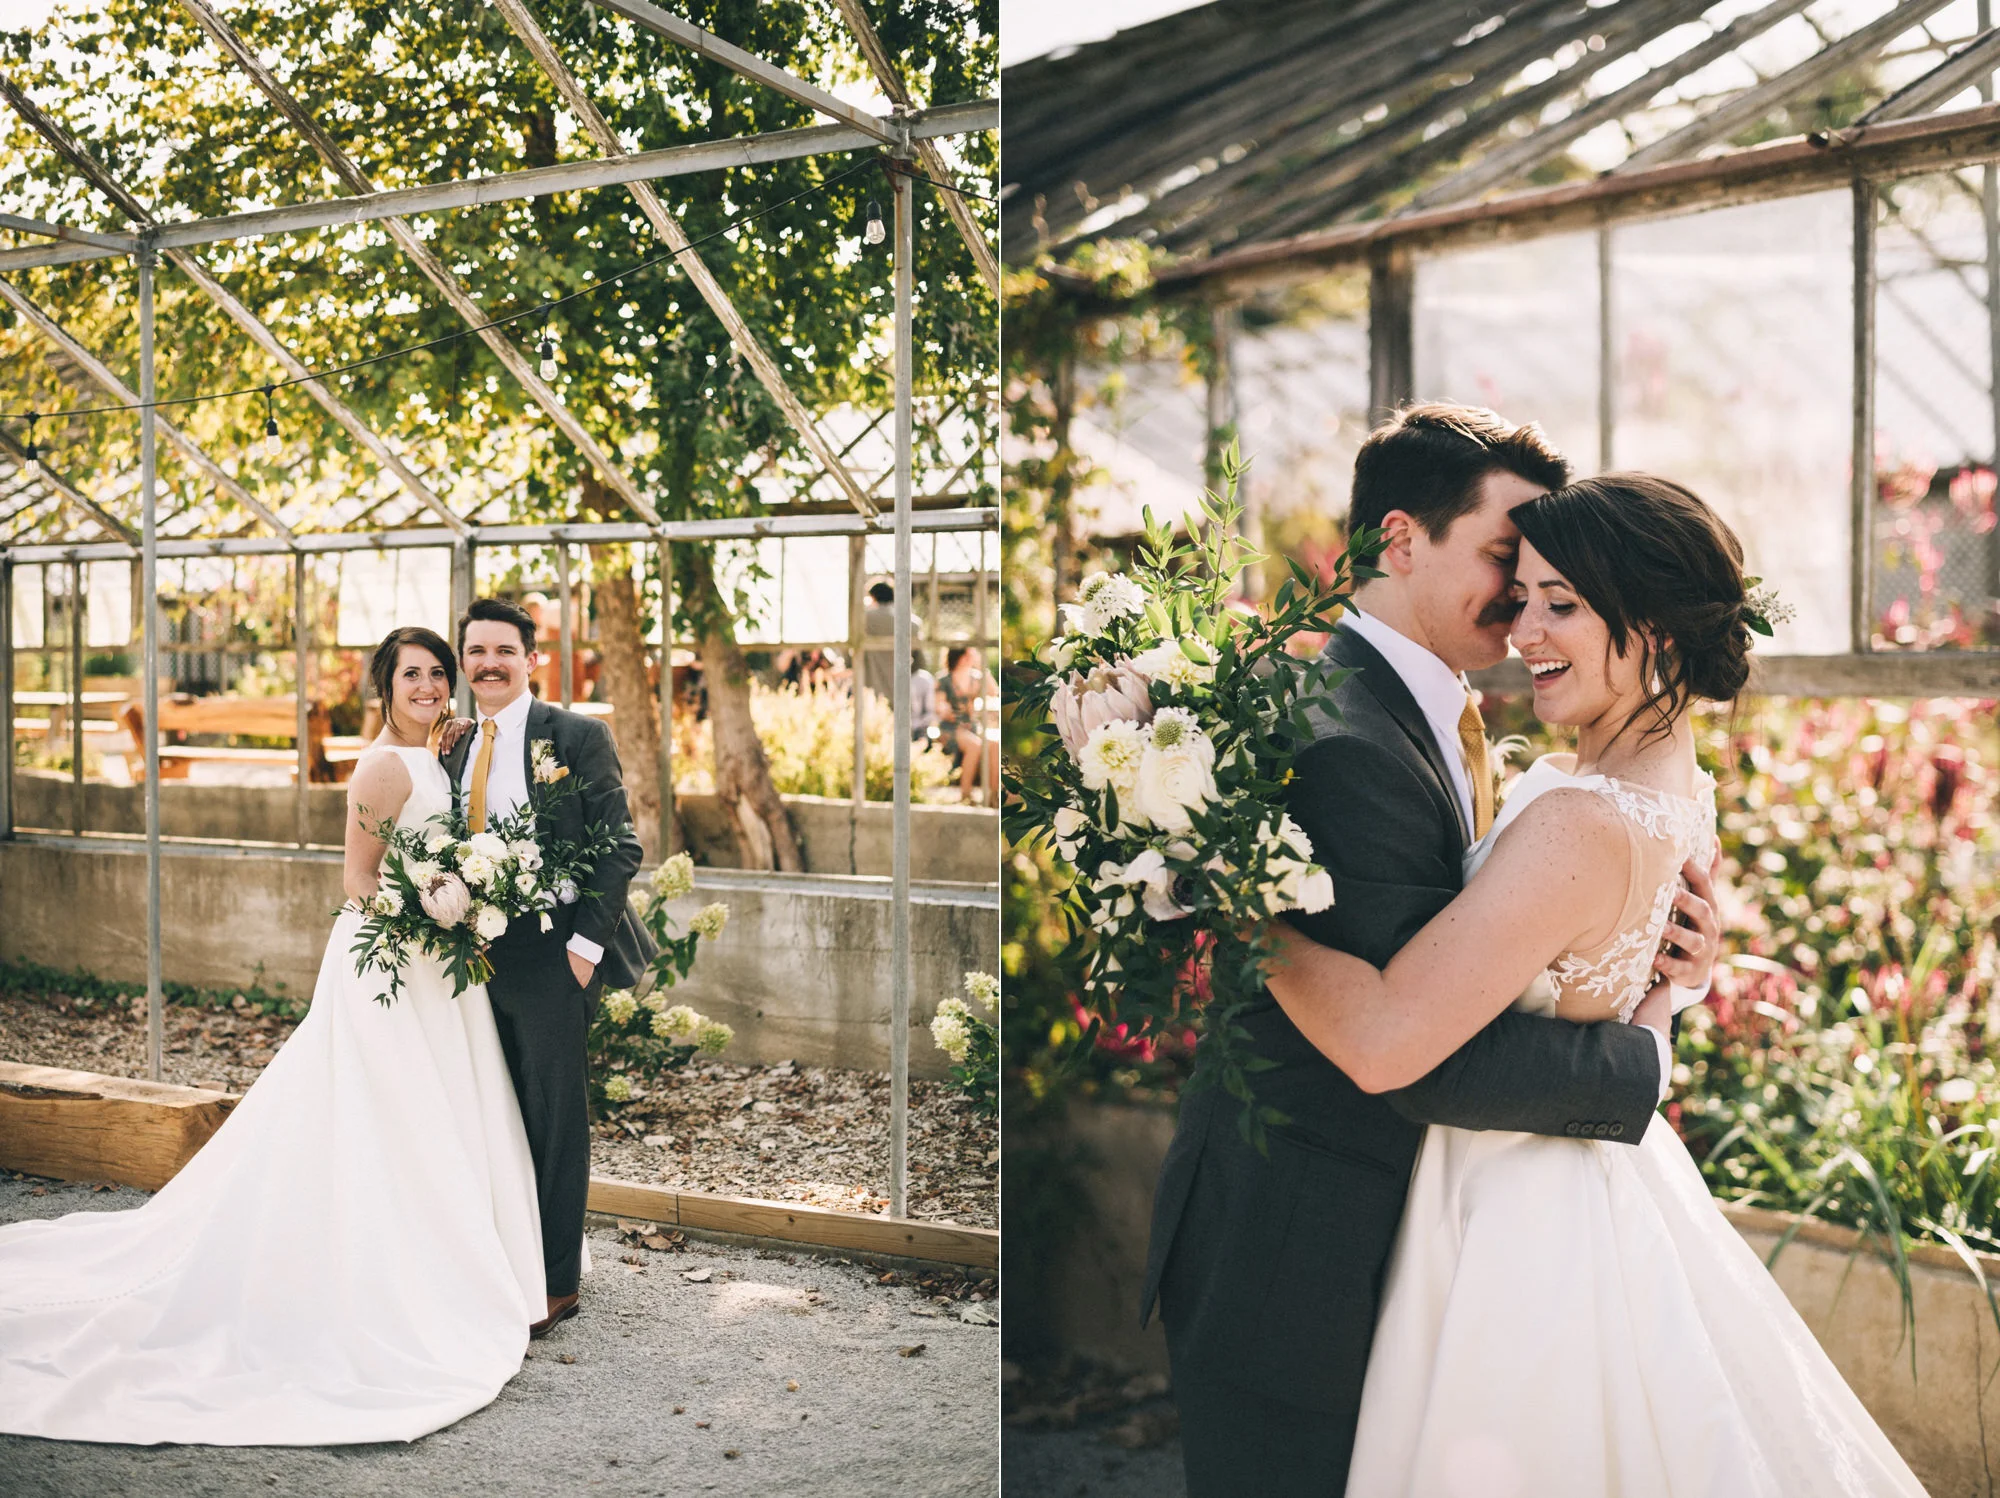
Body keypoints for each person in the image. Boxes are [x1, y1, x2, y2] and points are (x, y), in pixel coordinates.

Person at [1272, 472, 1928, 1494]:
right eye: (1521, 591)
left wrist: (1227, 907)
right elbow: (1621, 968)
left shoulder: (1580, 820)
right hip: (1579, 1175)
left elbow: (1385, 1039)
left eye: (1561, 604)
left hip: (1520, 1229)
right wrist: (1666, 1004)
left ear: (1656, 627)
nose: (1519, 625)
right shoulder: (1665, 784)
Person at [1141, 405, 1723, 1496]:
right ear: (1400, 541)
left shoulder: (1486, 735)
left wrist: (1654, 969)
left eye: (1555, 591)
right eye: (1508, 561)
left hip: (1455, 1250)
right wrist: (1644, 1046)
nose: (1522, 608)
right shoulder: (1332, 734)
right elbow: (1407, 1041)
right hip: (1296, 1260)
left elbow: (1514, 947)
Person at [0, 627, 547, 1443]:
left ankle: (461, 1269)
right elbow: (357, 879)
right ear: (383, 687)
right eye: (412, 676)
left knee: (440, 1112)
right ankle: (393, 1280)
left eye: (438, 673)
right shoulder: (380, 765)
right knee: (387, 1120)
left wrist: (462, 898)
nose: (430, 686)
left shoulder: (440, 754)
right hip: (391, 966)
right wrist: (427, 910)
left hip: (443, 970)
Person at [439, 598, 654, 1338]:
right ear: (463, 662)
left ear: (532, 658)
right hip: (469, 955)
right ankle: (498, 1258)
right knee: (487, 1111)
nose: (489, 663)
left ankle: (557, 1281)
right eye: (476, 651)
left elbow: (621, 846)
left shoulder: (575, 735)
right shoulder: (454, 744)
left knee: (556, 1119)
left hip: (553, 954)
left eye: (505, 650)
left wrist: (582, 954)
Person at [939, 645, 991, 804]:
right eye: (967, 655)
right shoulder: (944, 680)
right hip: (950, 728)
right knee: (975, 745)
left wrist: (983, 667)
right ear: (959, 657)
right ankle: (966, 794)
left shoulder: (976, 677)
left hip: (971, 727)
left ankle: (994, 796)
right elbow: (940, 708)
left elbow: (993, 691)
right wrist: (950, 711)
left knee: (994, 744)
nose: (970, 658)